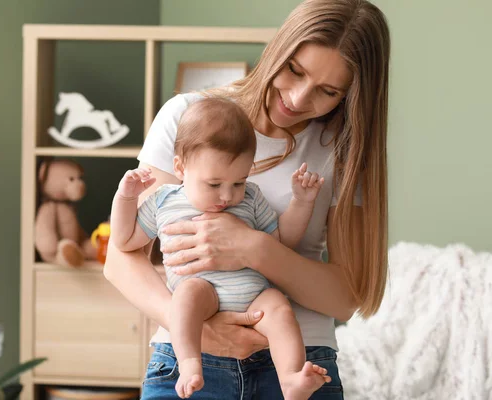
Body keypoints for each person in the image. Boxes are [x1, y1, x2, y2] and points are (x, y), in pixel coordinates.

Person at [104, 0, 390, 398]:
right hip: (191, 361)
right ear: (280, 48)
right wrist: (202, 329)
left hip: (299, 362)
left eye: (327, 91)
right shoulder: (188, 117)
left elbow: (345, 299)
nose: (297, 97)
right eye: (294, 70)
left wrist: (253, 248)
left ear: (349, 95)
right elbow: (121, 258)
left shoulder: (342, 152)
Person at [111, 97, 330, 399]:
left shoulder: (251, 199)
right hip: (205, 291)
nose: (227, 196)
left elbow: (282, 241)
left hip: (254, 296)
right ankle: (189, 363)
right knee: (185, 297)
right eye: (214, 185)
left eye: (238, 182)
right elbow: (124, 240)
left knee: (280, 307)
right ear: (180, 167)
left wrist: (302, 202)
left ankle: (291, 379)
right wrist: (125, 198)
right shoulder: (164, 200)